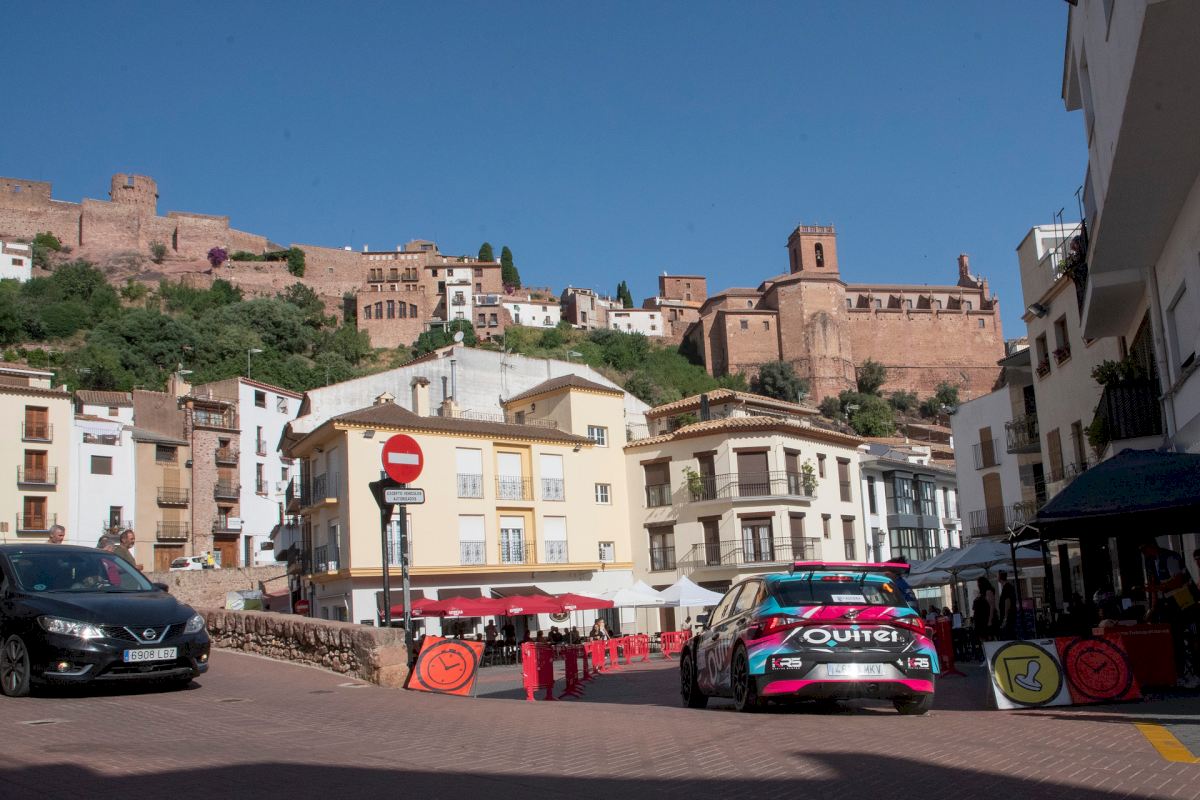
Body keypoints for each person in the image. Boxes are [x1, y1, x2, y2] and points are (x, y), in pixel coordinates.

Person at [973, 576, 998, 642]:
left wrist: (990, 620)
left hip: (986, 618)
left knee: (989, 638)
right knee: (982, 638)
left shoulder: (988, 592)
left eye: (978, 583)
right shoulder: (981, 593)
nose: (977, 585)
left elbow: (992, 606)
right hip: (981, 619)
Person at [997, 570, 1017, 640]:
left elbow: (1007, 602)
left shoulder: (1007, 587)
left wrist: (1005, 618)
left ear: (1000, 577)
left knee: (1008, 635)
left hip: (1008, 617)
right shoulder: (1007, 587)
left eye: (997, 575)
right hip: (1010, 616)